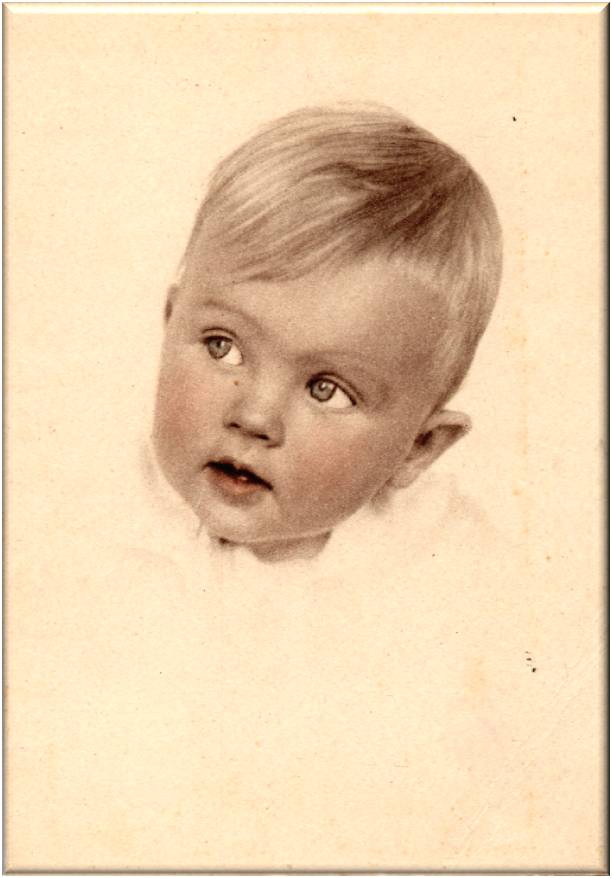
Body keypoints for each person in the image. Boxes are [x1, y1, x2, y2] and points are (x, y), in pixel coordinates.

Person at [149, 102, 502, 564]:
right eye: (224, 348)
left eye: (327, 391)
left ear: (418, 448)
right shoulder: (82, 511)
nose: (254, 417)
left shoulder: (453, 570)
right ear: (170, 323)